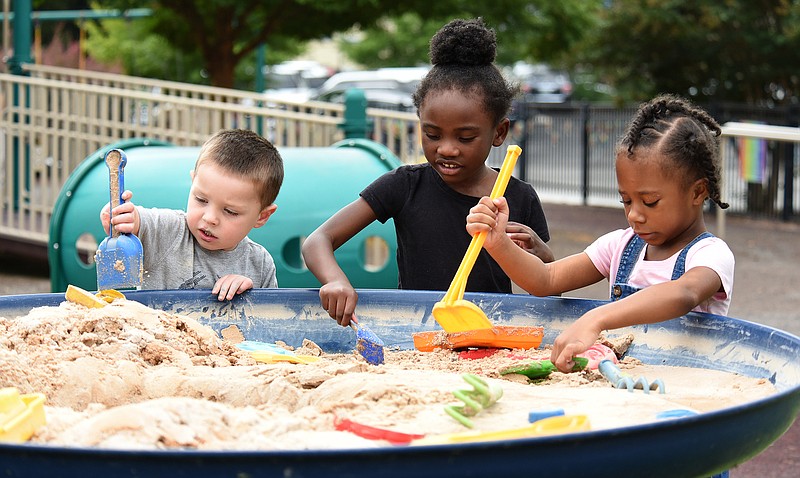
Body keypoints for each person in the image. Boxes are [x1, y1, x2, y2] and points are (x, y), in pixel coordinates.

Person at [301, 18, 553, 327]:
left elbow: (544, 281)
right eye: (432, 135)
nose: (446, 149)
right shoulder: (404, 185)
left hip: (490, 335)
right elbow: (318, 240)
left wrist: (542, 253)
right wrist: (335, 280)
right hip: (413, 335)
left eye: (465, 138)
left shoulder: (518, 196)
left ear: (499, 132)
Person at [466, 94, 735, 372]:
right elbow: (547, 279)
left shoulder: (710, 254)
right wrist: (498, 243)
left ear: (698, 192)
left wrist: (595, 319)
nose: (634, 215)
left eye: (650, 202)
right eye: (626, 201)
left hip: (683, 386)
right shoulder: (620, 246)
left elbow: (684, 293)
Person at [100, 129, 284, 300]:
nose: (210, 218)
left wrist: (250, 295)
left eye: (230, 211)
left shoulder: (260, 264)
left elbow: (270, 322)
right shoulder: (169, 230)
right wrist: (123, 216)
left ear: (262, 216)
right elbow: (142, 221)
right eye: (201, 199)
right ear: (193, 181)